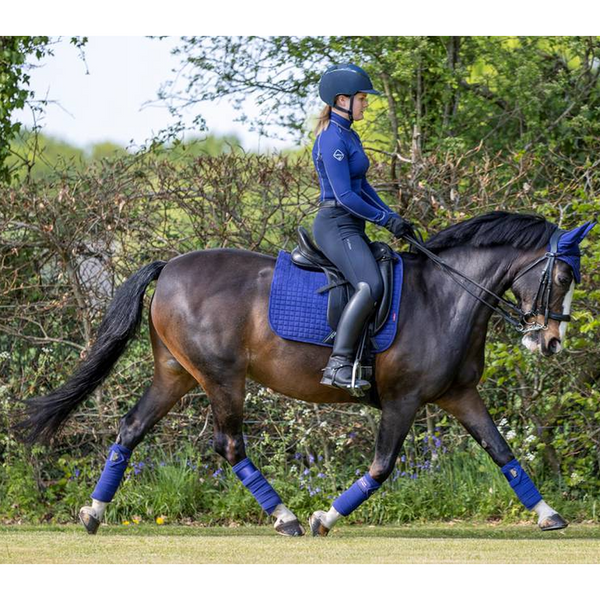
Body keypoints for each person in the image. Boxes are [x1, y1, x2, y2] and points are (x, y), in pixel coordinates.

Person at [312, 64, 417, 394]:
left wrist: (393, 217)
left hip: (352, 226)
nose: (365, 105)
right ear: (341, 100)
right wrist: (383, 220)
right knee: (369, 284)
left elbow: (362, 186)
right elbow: (344, 196)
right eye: (362, 99)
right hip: (335, 224)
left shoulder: (349, 135)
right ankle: (339, 363)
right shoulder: (331, 139)